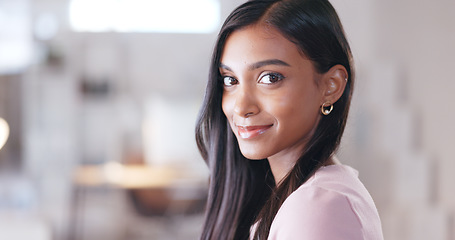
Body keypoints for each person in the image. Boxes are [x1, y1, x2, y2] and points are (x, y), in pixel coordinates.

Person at [195, 0, 384, 239]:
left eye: (270, 78)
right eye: (230, 80)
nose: (242, 107)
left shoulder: (317, 206)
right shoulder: (310, 198)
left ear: (331, 86)